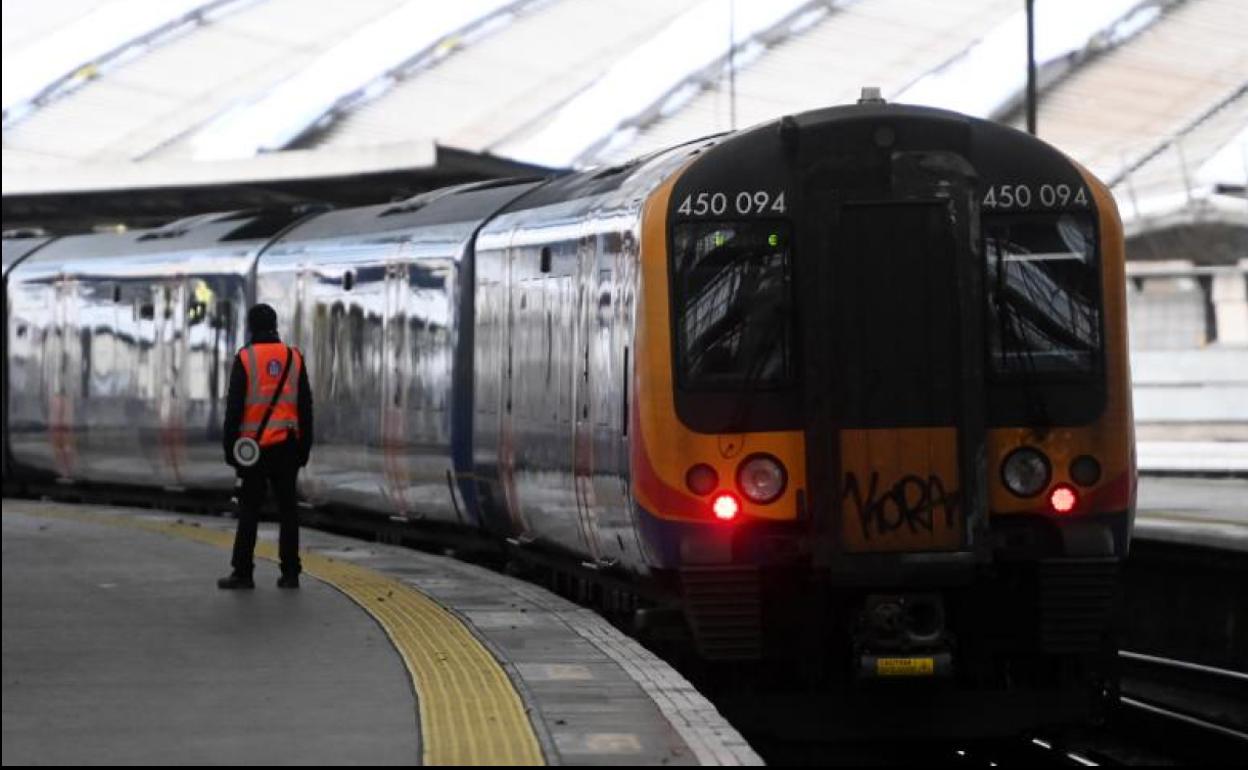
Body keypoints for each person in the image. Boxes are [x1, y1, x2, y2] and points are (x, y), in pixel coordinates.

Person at [218, 303, 313, 590]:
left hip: (254, 450)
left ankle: (243, 572)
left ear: (251, 327)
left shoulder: (245, 359)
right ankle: (291, 573)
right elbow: (305, 407)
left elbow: (234, 409)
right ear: (275, 325)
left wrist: (230, 450)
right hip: (287, 446)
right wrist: (304, 448)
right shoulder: (293, 357)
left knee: (249, 510)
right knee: (288, 512)